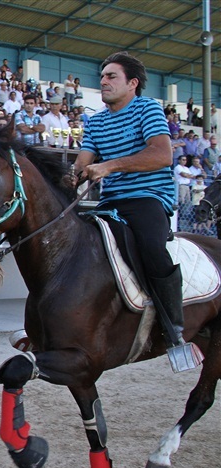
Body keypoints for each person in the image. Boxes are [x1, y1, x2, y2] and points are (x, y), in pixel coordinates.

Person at [73, 51, 201, 373]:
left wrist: (109, 166)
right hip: (109, 203)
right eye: (101, 76)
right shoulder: (95, 121)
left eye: (111, 76)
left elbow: (161, 155)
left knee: (151, 247)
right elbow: (83, 162)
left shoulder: (148, 109)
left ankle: (175, 330)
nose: (103, 81)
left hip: (148, 198)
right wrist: (71, 174)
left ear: (132, 84)